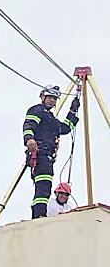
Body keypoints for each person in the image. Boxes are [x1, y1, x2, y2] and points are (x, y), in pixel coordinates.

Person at [23, 86, 80, 218]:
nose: (52, 101)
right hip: (39, 154)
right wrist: (29, 139)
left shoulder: (50, 118)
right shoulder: (37, 110)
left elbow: (65, 128)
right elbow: (29, 124)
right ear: (42, 97)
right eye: (49, 97)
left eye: (54, 99)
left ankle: (40, 214)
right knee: (43, 187)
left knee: (45, 187)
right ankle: (39, 215)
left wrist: (73, 110)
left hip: (47, 157)